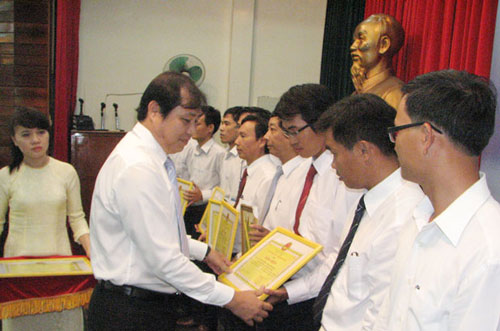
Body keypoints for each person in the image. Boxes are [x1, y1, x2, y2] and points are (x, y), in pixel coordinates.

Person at [88, 71, 272, 330]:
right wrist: (231, 299)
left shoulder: (152, 159)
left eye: (196, 122)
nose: (191, 131)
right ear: (154, 110)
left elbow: (158, 233)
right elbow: (163, 259)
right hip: (129, 311)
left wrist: (204, 251)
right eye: (185, 120)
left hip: (143, 305)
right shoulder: (138, 167)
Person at [373, 70, 500, 330]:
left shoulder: (488, 250)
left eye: (396, 131)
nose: (394, 144)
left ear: (426, 137)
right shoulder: (418, 218)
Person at [311, 93, 424, 331]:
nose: (332, 165)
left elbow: (381, 314)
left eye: (334, 153)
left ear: (364, 150)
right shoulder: (367, 200)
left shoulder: (403, 216)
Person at [259, 84, 362, 331]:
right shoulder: (304, 168)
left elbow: (338, 256)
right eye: (286, 131)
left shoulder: (346, 179)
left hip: (315, 295)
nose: (291, 140)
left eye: (295, 131)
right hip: (290, 281)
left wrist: (290, 291)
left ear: (323, 123)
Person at [0, 107, 90, 331]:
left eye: (41, 132)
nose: (35, 140)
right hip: (19, 274)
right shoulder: (5, 176)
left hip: (60, 270)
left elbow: (77, 220)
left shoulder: (66, 172)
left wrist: (93, 253)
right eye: (26, 134)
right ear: (14, 140)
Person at [182, 105, 226, 237]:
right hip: (188, 207)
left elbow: (223, 190)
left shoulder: (219, 154)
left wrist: (202, 195)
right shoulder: (191, 150)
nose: (193, 128)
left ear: (210, 128)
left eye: (198, 124)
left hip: (205, 209)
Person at [350, 13, 405, 109]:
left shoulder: (394, 93)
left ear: (383, 45)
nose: (353, 46)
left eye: (361, 39)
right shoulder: (359, 91)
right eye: (355, 40)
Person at [219, 106, 246, 204]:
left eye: (227, 124)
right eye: (222, 123)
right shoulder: (224, 154)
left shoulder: (243, 157)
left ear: (239, 127)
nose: (221, 128)